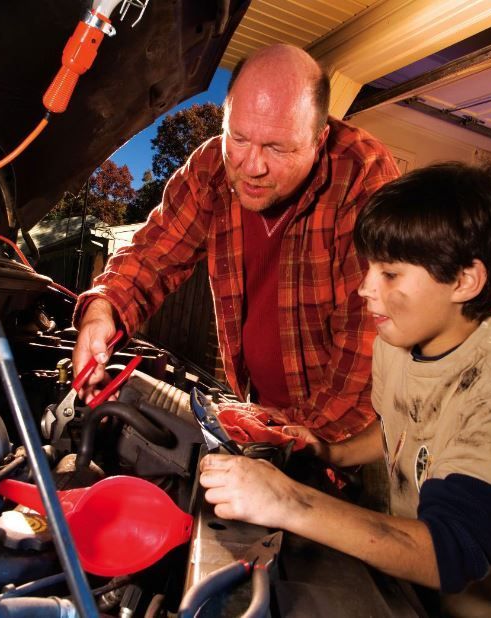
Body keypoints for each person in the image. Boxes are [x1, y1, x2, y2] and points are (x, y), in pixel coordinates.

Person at [199, 162, 491, 616]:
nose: (364, 288)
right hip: (412, 594)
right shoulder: (400, 343)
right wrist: (329, 453)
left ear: (464, 280)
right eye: (369, 268)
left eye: (390, 274)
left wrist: (287, 501)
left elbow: (452, 551)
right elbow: (400, 425)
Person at [72, 44, 400, 441]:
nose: (252, 166)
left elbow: (367, 351)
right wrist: (102, 310)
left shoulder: (363, 177)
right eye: (239, 138)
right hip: (259, 406)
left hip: (353, 439)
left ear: (319, 138)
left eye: (277, 148)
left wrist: (289, 446)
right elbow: (152, 253)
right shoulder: (211, 168)